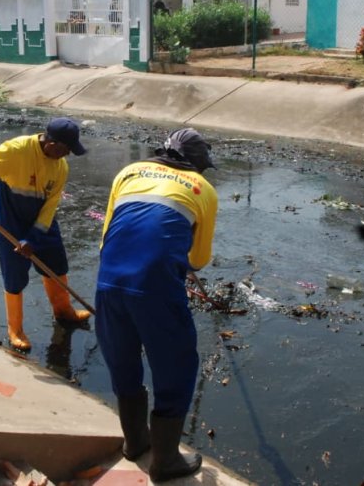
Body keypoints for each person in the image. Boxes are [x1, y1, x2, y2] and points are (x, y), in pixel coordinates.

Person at [95, 128, 218, 482]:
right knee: (176, 367)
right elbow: (199, 258)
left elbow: (107, 235)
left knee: (123, 363)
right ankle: (165, 462)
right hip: (156, 289)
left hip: (110, 282)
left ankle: (134, 444)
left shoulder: (128, 172)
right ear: (196, 164)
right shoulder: (202, 189)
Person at [0, 118, 91, 351]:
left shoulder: (60, 167)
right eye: (66, 149)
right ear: (51, 143)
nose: (67, 155)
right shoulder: (17, 150)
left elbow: (50, 206)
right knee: (15, 279)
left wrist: (33, 238)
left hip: (42, 225)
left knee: (58, 267)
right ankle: (16, 329)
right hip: (10, 225)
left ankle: (64, 312)